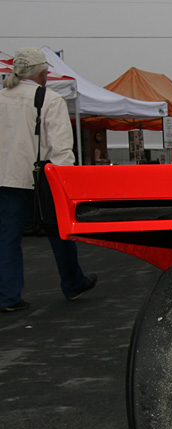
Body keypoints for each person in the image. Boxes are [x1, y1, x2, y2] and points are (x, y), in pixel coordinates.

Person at [0, 48, 97, 312]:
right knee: (59, 231)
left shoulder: (1, 98)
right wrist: (67, 181)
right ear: (43, 73)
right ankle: (72, 282)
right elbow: (61, 148)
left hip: (6, 179)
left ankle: (8, 297)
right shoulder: (49, 99)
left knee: (7, 238)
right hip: (42, 178)